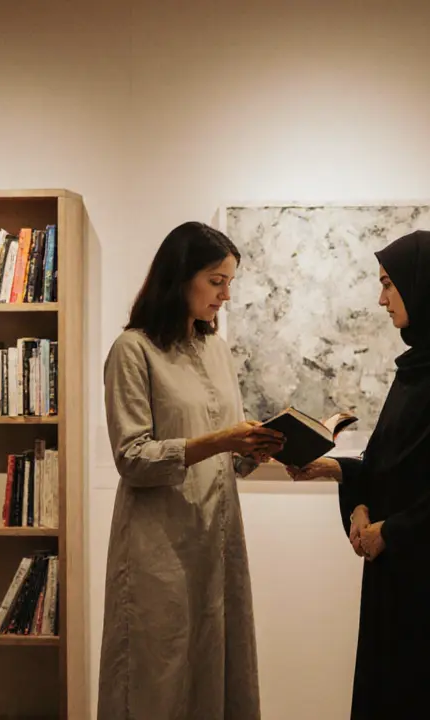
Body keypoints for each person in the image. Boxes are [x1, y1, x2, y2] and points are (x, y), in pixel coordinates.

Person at [287, 230, 430, 719]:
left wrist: (391, 531)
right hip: (401, 584)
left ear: (426, 284)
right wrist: (348, 488)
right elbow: (392, 465)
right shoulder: (419, 369)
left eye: (389, 284)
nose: (381, 299)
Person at [98, 221, 285, 720]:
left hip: (216, 540)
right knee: (155, 677)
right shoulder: (132, 350)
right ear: (180, 277)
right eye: (216, 281)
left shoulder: (216, 350)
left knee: (217, 669)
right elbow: (132, 456)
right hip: (159, 546)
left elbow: (226, 455)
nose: (226, 295)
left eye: (230, 283)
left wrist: (253, 449)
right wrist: (221, 440)